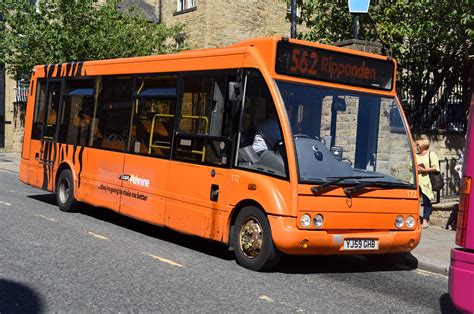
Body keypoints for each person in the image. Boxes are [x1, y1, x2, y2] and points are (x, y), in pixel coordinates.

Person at [416, 136, 440, 229]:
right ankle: (414, 219)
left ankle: (425, 220)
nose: (417, 146)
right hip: (416, 180)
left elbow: (435, 167)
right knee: (415, 201)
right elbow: (410, 165)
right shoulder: (416, 155)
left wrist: (424, 170)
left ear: (423, 145)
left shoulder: (431, 154)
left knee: (426, 201)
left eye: (418, 145)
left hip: (426, 181)